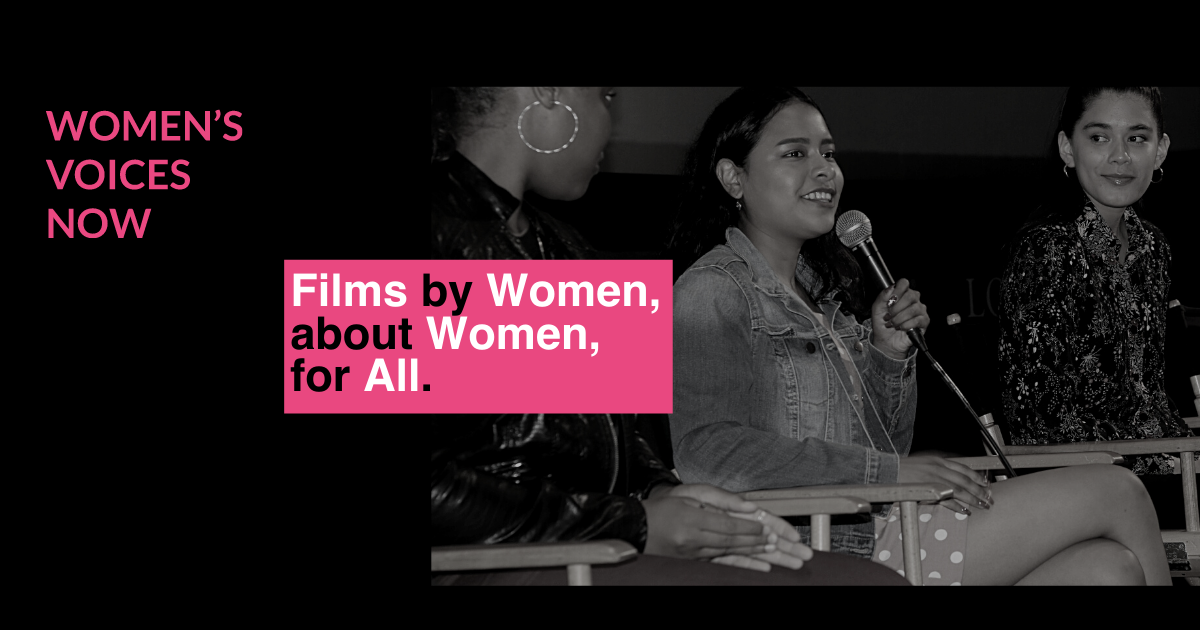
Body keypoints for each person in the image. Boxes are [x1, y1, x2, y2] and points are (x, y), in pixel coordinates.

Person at [669, 86, 1172, 585]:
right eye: (795, 154)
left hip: (876, 527)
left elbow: (887, 446)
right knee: (1120, 490)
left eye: (828, 153)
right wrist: (887, 474)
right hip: (810, 549)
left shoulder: (826, 299)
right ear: (733, 177)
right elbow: (705, 453)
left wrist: (887, 355)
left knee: (1109, 569)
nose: (824, 170)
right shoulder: (710, 289)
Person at [429, 87, 906, 585]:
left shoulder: (573, 251)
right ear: (547, 92)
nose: (611, 123)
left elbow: (624, 441)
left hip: (587, 544)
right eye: (604, 95)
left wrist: (665, 495)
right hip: (498, 562)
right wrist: (635, 523)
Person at [997, 87, 1193, 476]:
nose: (1120, 156)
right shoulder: (1046, 249)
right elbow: (1040, 418)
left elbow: (1150, 396)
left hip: (1164, 464)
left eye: (1137, 138)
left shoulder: (1153, 247)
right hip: (1086, 481)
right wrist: (1157, 463)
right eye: (1099, 138)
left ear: (1160, 151)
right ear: (1068, 148)